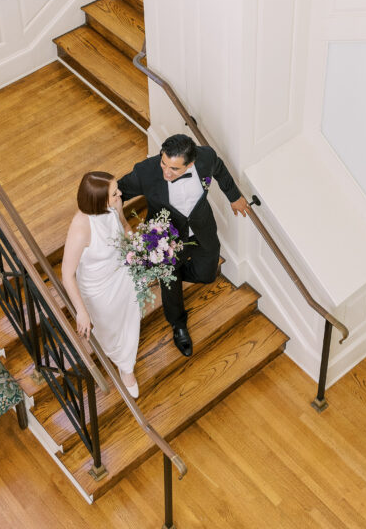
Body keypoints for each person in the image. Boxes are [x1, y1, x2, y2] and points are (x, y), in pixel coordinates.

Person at [117, 134, 251, 357]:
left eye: (174, 169)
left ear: (191, 163)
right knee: (171, 282)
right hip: (165, 239)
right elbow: (117, 194)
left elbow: (219, 169)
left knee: (207, 274)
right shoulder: (147, 171)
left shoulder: (206, 157)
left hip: (202, 229)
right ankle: (178, 324)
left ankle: (172, 275)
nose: (166, 173)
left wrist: (233, 196)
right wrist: (120, 223)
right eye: (163, 163)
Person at [61, 171, 141, 398]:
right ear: (99, 200)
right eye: (115, 192)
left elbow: (124, 226)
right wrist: (81, 311)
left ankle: (126, 368)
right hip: (99, 290)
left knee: (130, 319)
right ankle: (116, 357)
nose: (120, 193)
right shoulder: (81, 227)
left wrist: (138, 249)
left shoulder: (115, 205)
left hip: (123, 278)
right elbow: (67, 275)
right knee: (110, 329)